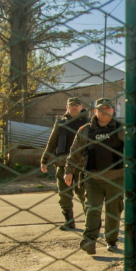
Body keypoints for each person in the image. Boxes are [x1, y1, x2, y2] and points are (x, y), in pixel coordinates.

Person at [64, 98, 124, 256]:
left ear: (112, 110)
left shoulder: (121, 129)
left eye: (107, 108)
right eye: (101, 108)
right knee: (93, 209)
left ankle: (111, 240)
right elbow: (75, 152)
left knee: (113, 212)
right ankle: (89, 240)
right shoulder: (85, 130)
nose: (104, 111)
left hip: (116, 179)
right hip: (92, 179)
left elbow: (135, 150)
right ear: (95, 111)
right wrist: (68, 171)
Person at [40, 97, 90, 230]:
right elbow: (52, 143)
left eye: (76, 105)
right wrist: (44, 160)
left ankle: (90, 222)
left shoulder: (88, 123)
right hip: (62, 164)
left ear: (81, 107)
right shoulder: (60, 123)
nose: (74, 107)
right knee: (64, 195)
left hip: (82, 164)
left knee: (84, 193)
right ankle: (69, 221)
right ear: (67, 107)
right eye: (71, 105)